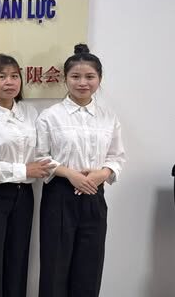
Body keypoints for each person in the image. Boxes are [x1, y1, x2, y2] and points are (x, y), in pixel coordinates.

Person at [36, 44, 126, 297]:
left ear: (99, 79)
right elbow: (40, 156)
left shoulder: (108, 117)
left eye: (90, 76)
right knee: (55, 267)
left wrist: (102, 174)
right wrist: (70, 174)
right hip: (59, 196)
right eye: (75, 76)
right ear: (65, 79)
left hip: (94, 195)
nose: (82, 83)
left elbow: (116, 156)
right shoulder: (50, 116)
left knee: (90, 267)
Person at [0, 54, 53, 297]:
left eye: (15, 76)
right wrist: (23, 170)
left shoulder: (30, 112)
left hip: (24, 194)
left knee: (18, 259)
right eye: (2, 76)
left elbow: (41, 152)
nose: (9, 82)